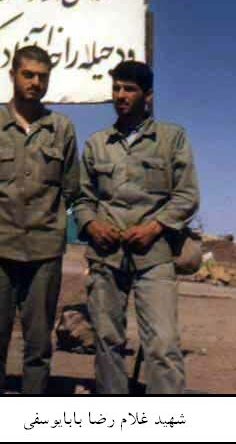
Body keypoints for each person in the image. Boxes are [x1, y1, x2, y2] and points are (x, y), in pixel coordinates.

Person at [74, 60, 199, 394]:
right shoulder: (97, 143)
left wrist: (154, 228)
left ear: (148, 95)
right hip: (105, 257)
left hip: (154, 257)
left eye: (129, 89)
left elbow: (187, 196)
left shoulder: (171, 139)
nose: (120, 95)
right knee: (107, 341)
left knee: (163, 344)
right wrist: (92, 225)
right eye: (116, 88)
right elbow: (81, 198)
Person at [0, 45, 79, 394]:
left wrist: (49, 225)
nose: (35, 83)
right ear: (12, 75)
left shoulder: (61, 129)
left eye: (42, 77)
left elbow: (71, 188)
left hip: (44, 252)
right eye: (28, 74)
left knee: (39, 346)